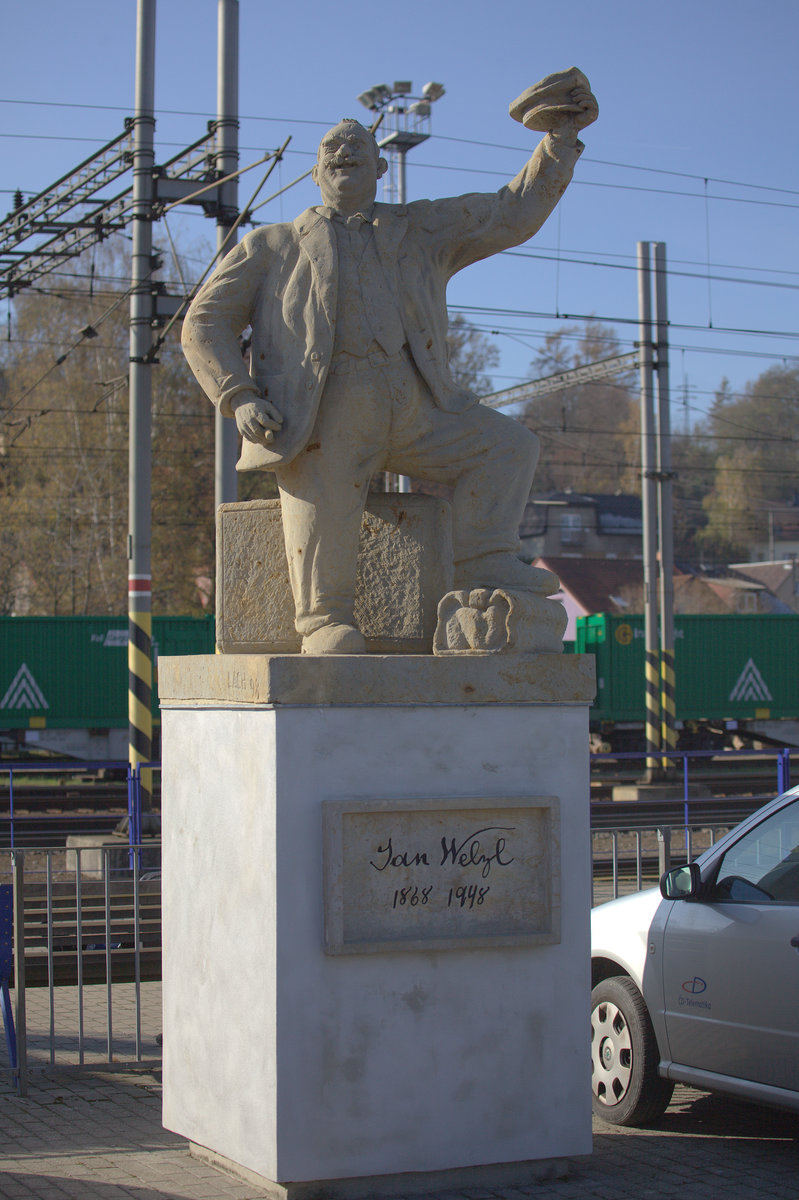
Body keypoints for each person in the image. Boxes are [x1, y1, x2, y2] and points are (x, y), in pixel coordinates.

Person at [182, 76, 597, 654]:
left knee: (508, 447)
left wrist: (559, 140)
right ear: (315, 174)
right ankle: (323, 619)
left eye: (357, 146)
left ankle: (481, 562)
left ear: (382, 170)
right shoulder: (271, 246)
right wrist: (239, 394)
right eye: (331, 149)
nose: (343, 152)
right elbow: (203, 323)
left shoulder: (422, 229)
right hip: (323, 409)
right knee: (326, 496)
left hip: (417, 403)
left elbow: (511, 213)